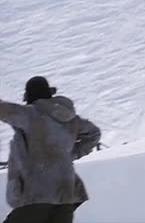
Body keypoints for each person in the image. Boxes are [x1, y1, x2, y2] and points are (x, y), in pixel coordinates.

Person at [0, 76, 101, 223]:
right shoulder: (70, 118)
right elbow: (94, 134)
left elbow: (3, 110)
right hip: (65, 197)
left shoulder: (30, 114)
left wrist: (72, 153)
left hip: (36, 196)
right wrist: (73, 153)